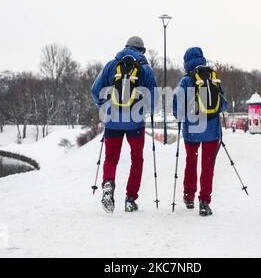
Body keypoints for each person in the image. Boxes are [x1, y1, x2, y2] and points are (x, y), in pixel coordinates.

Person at [91, 36, 157, 213]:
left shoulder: (111, 66)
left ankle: (108, 184)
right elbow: (154, 99)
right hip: (136, 124)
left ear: (125, 47)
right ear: (142, 51)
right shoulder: (145, 70)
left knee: (111, 158)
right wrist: (144, 110)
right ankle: (130, 199)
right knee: (137, 160)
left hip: (112, 121)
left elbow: (95, 90)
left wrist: (104, 106)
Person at [172, 47, 228, 216]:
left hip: (192, 131)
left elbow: (177, 109)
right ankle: (204, 201)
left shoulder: (186, 81)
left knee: (191, 162)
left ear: (186, 62)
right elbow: (223, 104)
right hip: (212, 131)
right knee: (208, 165)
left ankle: (189, 196)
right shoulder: (212, 77)